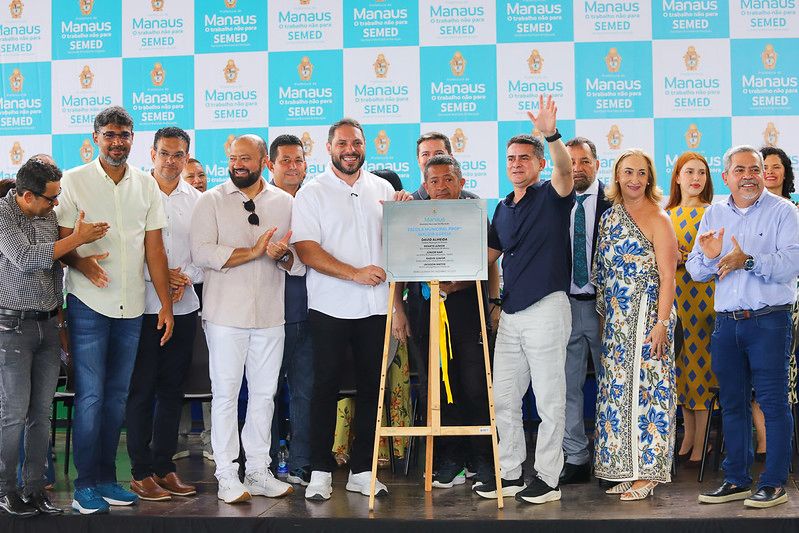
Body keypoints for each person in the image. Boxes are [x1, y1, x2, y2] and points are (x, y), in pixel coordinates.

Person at [56, 106, 174, 515]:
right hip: (89, 304)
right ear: (95, 138)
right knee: (91, 397)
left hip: (133, 307)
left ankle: (107, 480)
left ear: (132, 139)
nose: (117, 142)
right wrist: (82, 264)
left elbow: (154, 250)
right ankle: (84, 486)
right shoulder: (73, 181)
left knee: (116, 398)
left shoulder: (146, 184)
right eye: (109, 134)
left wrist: (166, 305)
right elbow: (60, 241)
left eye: (124, 135)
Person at [291, 118, 410, 501]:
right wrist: (354, 273)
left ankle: (363, 471)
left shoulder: (383, 189)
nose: (350, 150)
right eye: (342, 143)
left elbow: (397, 245)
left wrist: (405, 214)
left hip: (376, 308)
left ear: (364, 146)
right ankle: (320, 473)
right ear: (329, 148)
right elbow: (306, 250)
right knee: (324, 389)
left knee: (373, 389)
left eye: (356, 143)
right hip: (330, 307)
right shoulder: (312, 193)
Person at [191, 134, 303, 504]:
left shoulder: (285, 202)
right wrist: (253, 251)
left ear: (264, 162)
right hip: (225, 316)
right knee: (225, 396)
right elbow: (202, 253)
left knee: (264, 396)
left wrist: (282, 255)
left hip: (271, 315)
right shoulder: (211, 200)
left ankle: (257, 471)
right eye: (233, 158)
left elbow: (298, 263)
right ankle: (226, 474)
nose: (238, 164)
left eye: (246, 158)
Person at [476, 95, 574, 505]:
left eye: (524, 158)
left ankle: (548, 479)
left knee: (549, 400)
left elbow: (566, 170)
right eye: (511, 159)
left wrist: (551, 134)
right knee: (504, 398)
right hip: (511, 314)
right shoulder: (502, 207)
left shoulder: (553, 195)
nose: (516, 164)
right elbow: (487, 257)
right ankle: (511, 472)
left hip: (547, 308)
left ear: (539, 164)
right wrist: (435, 264)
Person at [691, 145, 799, 508]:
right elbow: (696, 270)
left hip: (769, 322)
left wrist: (748, 260)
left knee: (772, 403)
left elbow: (792, 262)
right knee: (733, 404)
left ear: (763, 174)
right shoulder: (714, 213)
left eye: (754, 169)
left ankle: (774, 483)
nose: (748, 177)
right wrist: (711, 258)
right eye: (740, 170)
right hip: (726, 325)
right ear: (726, 177)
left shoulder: (783, 211)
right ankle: (736, 479)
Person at [0, 157, 108, 517]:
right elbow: (26, 258)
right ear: (28, 196)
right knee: (13, 414)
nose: (56, 203)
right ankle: (5, 489)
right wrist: (77, 239)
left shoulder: (47, 214)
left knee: (40, 414)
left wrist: (81, 257)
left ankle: (35, 489)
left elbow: (56, 263)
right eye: (51, 198)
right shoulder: (2, 215)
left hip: (48, 324)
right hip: (11, 328)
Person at [392, 155, 495, 489]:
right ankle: (450, 458)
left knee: (474, 384)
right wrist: (398, 310)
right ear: (425, 185)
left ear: (461, 182)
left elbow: (489, 260)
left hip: (468, 309)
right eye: (433, 181)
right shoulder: (412, 214)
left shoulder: (475, 212)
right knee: (436, 385)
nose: (441, 186)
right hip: (424, 312)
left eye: (448, 179)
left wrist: (488, 301)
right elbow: (399, 265)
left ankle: (482, 458)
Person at [593, 148, 678, 501]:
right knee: (618, 394)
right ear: (617, 176)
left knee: (649, 393)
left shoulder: (659, 218)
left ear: (650, 178)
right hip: (617, 321)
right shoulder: (609, 218)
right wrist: (606, 322)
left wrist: (661, 323)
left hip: (649, 315)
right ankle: (627, 470)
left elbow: (669, 277)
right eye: (628, 172)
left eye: (641, 173)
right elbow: (602, 275)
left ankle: (648, 474)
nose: (635, 179)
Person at [125, 127, 201, 502]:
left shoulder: (199, 201)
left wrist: (184, 277)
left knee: (173, 391)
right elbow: (124, 249)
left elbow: (205, 253)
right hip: (142, 307)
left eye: (178, 155)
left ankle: (164, 467)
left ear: (187, 157)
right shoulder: (135, 193)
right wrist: (158, 275)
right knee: (141, 390)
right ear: (152, 154)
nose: (171, 161)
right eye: (165, 154)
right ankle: (141, 472)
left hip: (184, 307)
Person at [559, 137, 612, 484]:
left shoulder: (615, 201)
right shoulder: (554, 200)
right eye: (571, 162)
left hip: (605, 310)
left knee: (611, 385)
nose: (577, 168)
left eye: (584, 161)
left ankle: (611, 459)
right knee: (567, 387)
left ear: (597, 165)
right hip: (564, 307)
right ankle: (576, 458)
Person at [663, 152, 717, 466]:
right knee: (680, 366)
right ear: (678, 177)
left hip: (705, 297)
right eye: (690, 172)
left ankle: (703, 439)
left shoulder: (714, 213)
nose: (696, 178)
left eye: (702, 173)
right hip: (675, 297)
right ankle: (689, 435)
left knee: (701, 366)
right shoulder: (666, 214)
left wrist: (690, 257)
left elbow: (717, 254)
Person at [265, 134, 313, 486]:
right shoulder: (258, 203)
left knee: (305, 392)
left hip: (311, 311)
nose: (293, 167)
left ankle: (301, 463)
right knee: (264, 393)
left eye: (298, 160)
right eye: (285, 160)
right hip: (265, 314)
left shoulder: (316, 200)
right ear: (270, 164)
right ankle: (263, 464)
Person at [752, 146, 798, 461]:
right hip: (755, 302)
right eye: (763, 166)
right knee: (757, 372)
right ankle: (764, 440)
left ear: (785, 172)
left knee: (783, 371)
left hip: (790, 300)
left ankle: (782, 441)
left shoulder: (794, 210)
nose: (769, 172)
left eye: (775, 166)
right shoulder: (745, 210)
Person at [412, 132, 478, 200]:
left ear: (451, 157)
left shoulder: (473, 201)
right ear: (418, 160)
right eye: (425, 154)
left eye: (439, 153)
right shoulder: (410, 202)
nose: (432, 158)